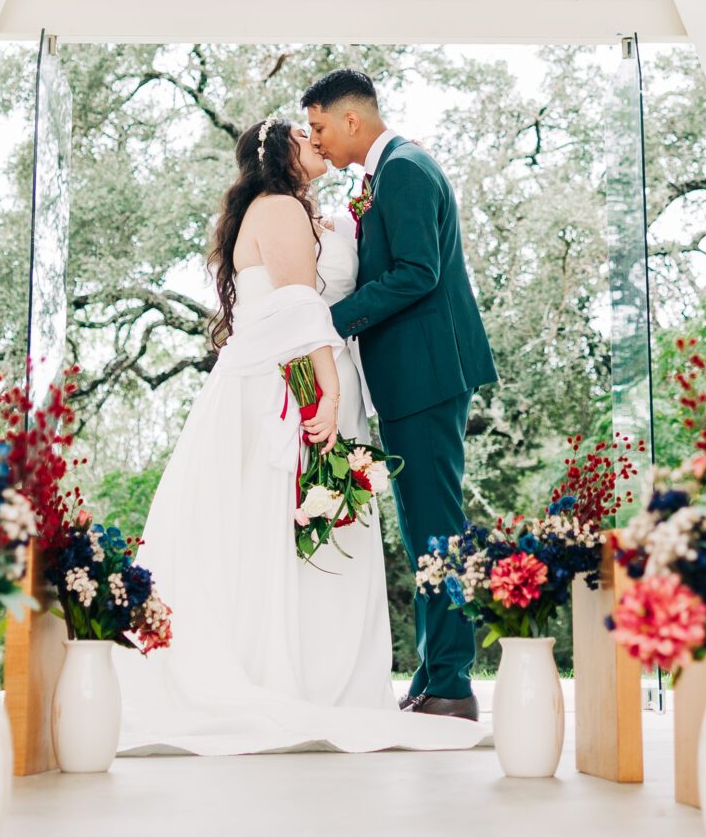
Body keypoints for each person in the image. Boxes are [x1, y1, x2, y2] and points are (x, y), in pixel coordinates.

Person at [114, 116, 477, 754]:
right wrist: (329, 389)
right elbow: (298, 307)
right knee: (287, 525)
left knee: (299, 528)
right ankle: (296, 677)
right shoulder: (279, 207)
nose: (317, 143)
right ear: (281, 155)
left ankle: (318, 674)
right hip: (299, 384)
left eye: (318, 132)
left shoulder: (309, 208)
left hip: (310, 374)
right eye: (304, 137)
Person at [303, 67, 498, 720]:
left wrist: (330, 319)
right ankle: (432, 670)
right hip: (411, 376)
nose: (318, 139)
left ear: (352, 119)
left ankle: (451, 679)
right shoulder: (386, 174)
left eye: (321, 126)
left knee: (437, 525)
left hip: (427, 371)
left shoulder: (406, 169)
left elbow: (419, 271)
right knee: (422, 526)